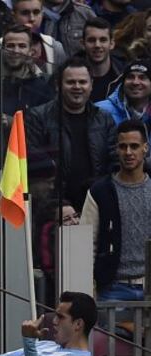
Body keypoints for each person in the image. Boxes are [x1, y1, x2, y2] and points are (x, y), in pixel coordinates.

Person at [80, 119, 151, 324]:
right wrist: (88, 288)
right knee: (111, 349)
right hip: (113, 287)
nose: (128, 152)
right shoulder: (99, 191)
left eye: (134, 146)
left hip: (149, 284)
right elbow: (86, 245)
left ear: (145, 148)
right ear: (116, 150)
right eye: (123, 146)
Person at [25, 57, 117, 212]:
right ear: (57, 85)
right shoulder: (37, 117)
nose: (77, 87)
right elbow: (35, 168)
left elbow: (114, 162)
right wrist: (55, 204)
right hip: (53, 209)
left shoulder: (104, 119)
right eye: (70, 82)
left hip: (95, 205)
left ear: (91, 85)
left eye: (82, 82)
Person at [96, 60, 151, 148]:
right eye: (130, 77)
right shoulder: (100, 110)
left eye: (142, 77)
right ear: (123, 82)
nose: (135, 82)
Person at [2, 24, 55, 115]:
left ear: (30, 51)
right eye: (10, 46)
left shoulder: (42, 89)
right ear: (3, 49)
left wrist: (14, 123)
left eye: (22, 46)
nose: (16, 51)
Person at [10, 0, 66, 74]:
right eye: (25, 13)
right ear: (14, 16)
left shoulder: (55, 47)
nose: (32, 18)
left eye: (36, 12)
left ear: (42, 14)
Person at [80, 17, 124, 102]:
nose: (97, 45)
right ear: (82, 44)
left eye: (103, 40)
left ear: (111, 44)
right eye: (91, 40)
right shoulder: (68, 75)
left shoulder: (124, 75)